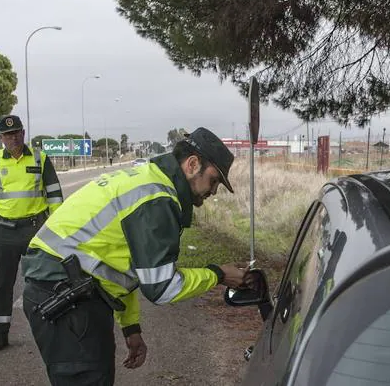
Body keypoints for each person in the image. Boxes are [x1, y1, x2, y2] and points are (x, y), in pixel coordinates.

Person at [21, 127, 250, 385]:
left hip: (69, 292)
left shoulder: (149, 181)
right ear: (193, 164)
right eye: (214, 180)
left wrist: (130, 327)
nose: (214, 191)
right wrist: (218, 274)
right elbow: (162, 287)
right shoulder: (158, 199)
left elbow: (121, 266)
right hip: (66, 299)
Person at [0, 114, 64, 352]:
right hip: (2, 231)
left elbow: (54, 194)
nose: (15, 138)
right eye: (9, 134)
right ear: (1, 138)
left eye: (18, 133)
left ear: (24, 133)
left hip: (36, 229)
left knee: (48, 280)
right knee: (1, 285)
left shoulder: (40, 158)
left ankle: (55, 330)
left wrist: (55, 226)